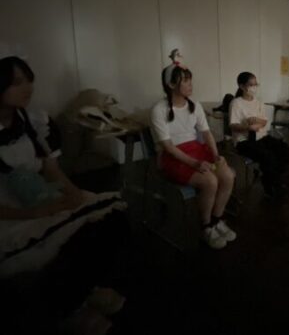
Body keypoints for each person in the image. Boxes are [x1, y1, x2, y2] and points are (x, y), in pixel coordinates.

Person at [0, 56, 127, 335]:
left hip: (40, 195)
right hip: (11, 213)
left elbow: (51, 169)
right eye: (17, 82)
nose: (28, 87)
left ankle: (83, 289)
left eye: (29, 80)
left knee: (111, 218)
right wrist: (36, 212)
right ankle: (71, 308)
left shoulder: (28, 119)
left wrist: (74, 194)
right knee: (65, 241)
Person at [150, 52, 236, 250]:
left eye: (190, 80)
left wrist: (216, 155)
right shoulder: (159, 109)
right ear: (171, 84)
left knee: (227, 176)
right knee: (210, 181)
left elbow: (206, 133)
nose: (191, 85)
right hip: (174, 157)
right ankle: (206, 227)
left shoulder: (194, 105)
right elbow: (168, 147)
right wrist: (195, 163)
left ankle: (217, 220)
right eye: (185, 81)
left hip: (196, 150)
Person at [229, 72, 289, 197]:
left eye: (255, 84)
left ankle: (275, 179)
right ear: (242, 86)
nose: (254, 87)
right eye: (251, 85)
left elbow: (264, 121)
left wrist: (256, 120)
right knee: (268, 156)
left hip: (261, 137)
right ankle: (270, 186)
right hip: (244, 141)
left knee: (285, 151)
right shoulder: (236, 103)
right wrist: (247, 127)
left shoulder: (258, 102)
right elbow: (233, 125)